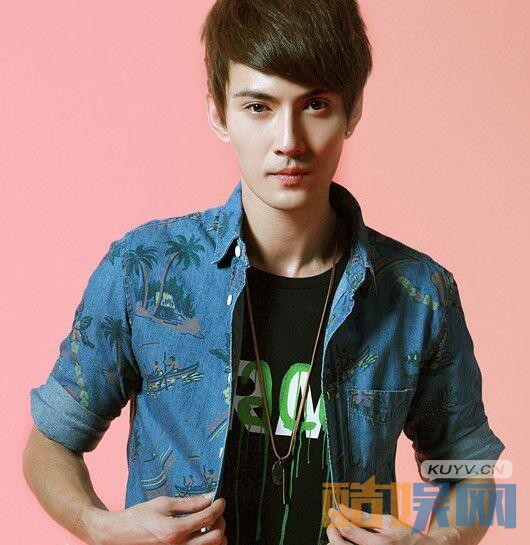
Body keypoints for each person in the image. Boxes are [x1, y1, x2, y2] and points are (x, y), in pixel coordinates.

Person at [23, 1, 505, 544]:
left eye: (316, 104)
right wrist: (101, 528)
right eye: (258, 107)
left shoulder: (419, 294)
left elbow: (471, 470)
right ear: (218, 113)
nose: (289, 141)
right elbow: (49, 442)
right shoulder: (147, 270)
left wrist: (438, 542)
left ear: (352, 111)